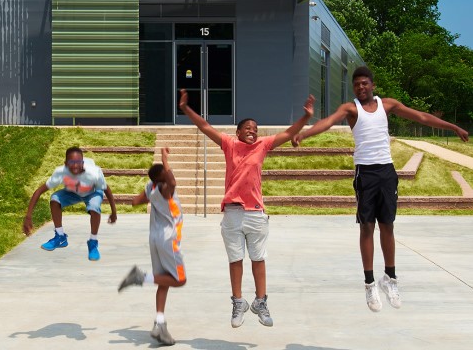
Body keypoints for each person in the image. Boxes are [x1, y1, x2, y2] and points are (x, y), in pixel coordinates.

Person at [292, 65, 469, 312]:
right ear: (353, 88)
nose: (361, 87)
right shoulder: (351, 109)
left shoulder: (387, 105)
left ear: (372, 85)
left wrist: (453, 127)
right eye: (357, 84)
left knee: (387, 225)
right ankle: (369, 283)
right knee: (367, 227)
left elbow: (421, 117)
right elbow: (328, 122)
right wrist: (304, 134)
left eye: (365, 83)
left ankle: (390, 278)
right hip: (365, 174)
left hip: (386, 171)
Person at [178, 89, 314, 329]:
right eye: (248, 128)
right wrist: (186, 109)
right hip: (232, 213)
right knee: (235, 260)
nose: (253, 131)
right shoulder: (229, 144)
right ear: (238, 132)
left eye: (255, 129)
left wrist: (305, 117)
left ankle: (260, 302)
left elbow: (288, 133)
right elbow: (205, 126)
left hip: (255, 213)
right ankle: (238, 302)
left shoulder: (262, 146)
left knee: (258, 259)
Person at [118, 147, 186, 346]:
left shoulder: (152, 187)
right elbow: (172, 182)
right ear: (163, 176)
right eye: (167, 171)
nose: (169, 172)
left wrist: (147, 196)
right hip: (168, 239)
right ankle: (140, 277)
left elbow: (135, 201)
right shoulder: (166, 188)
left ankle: (160, 324)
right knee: (180, 280)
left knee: (164, 282)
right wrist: (164, 159)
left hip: (154, 238)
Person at [22, 146, 117, 261]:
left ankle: (93, 242)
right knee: (55, 199)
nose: (75, 165)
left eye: (78, 162)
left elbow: (107, 190)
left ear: (82, 163)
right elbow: (39, 191)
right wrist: (28, 216)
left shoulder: (94, 172)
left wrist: (114, 212)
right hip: (73, 192)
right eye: (71, 162)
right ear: (66, 163)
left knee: (94, 207)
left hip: (92, 192)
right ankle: (60, 237)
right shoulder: (61, 172)